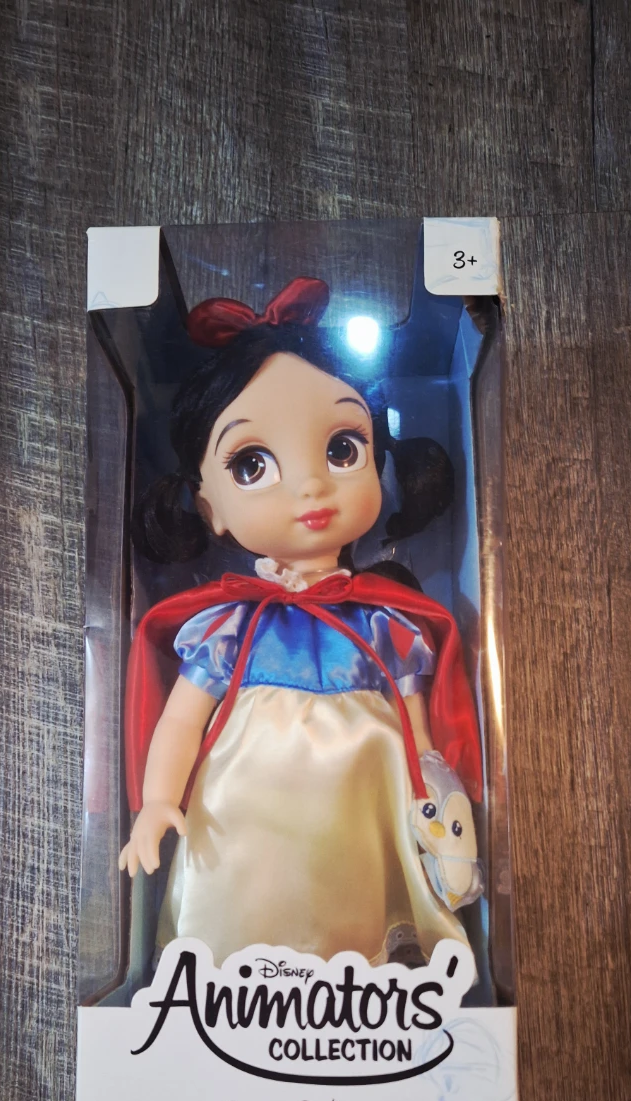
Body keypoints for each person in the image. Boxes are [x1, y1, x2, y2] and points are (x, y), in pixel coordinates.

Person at [119, 278, 483, 967]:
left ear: (378, 461)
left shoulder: (383, 621)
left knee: (365, 897)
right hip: (246, 804)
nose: (310, 486)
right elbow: (182, 720)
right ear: (207, 507)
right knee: (250, 889)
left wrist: (432, 795)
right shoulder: (230, 625)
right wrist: (158, 801)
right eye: (252, 465)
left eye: (342, 449)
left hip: (364, 796)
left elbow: (419, 735)